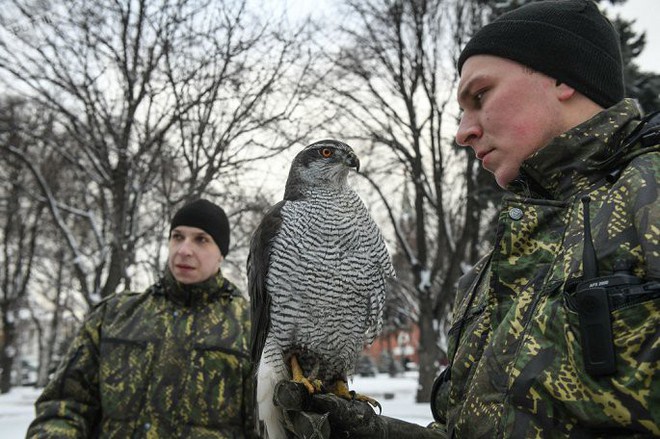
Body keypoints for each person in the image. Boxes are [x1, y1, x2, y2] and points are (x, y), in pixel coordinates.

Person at [275, 0, 659, 437]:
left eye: (480, 96)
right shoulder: (489, 272)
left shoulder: (650, 193)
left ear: (563, 78)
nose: (462, 131)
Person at [27, 199, 257, 438]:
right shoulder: (115, 315)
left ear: (221, 254)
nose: (184, 250)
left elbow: (265, 427)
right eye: (177, 237)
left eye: (201, 240)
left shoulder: (250, 327)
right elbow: (66, 405)